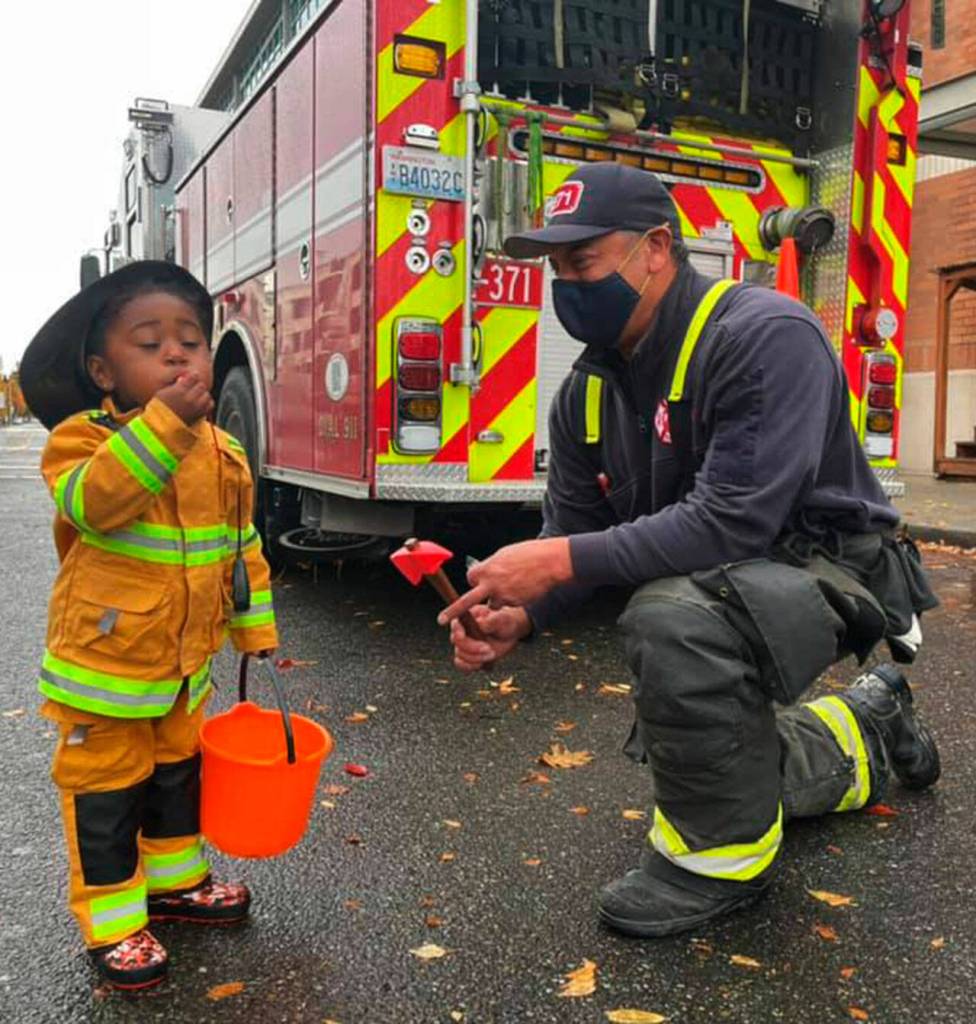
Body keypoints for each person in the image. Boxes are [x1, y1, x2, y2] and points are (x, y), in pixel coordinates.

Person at [439, 163, 941, 937]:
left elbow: (731, 521)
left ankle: (719, 861)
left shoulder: (764, 336)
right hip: (734, 577)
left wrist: (559, 564)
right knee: (701, 664)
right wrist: (524, 615)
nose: (566, 285)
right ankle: (870, 726)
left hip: (834, 564)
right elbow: (572, 527)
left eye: (583, 262)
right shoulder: (585, 393)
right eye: (556, 268)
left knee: (672, 620)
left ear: (656, 249)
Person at [20, 261, 278, 990]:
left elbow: (241, 547)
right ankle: (114, 924)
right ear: (104, 370)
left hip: (180, 671)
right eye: (151, 343)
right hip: (103, 672)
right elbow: (96, 504)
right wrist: (165, 423)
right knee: (106, 794)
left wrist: (255, 630)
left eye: (192, 342)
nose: (177, 355)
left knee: (175, 780)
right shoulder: (81, 441)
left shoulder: (223, 451)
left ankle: (174, 885)